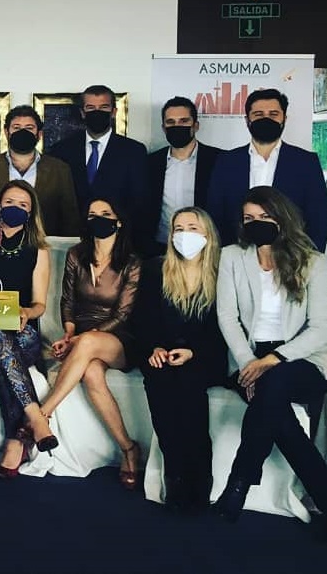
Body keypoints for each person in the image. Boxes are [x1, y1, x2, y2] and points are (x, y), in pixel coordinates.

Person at [213, 186, 327, 542]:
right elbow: (227, 317)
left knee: (274, 382)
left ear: (282, 218)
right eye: (249, 218)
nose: (257, 223)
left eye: (265, 217)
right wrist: (249, 362)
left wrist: (273, 359)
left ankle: (240, 478)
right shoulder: (232, 256)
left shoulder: (313, 262)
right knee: (277, 410)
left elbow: (322, 328)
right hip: (248, 356)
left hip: (303, 358)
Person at [40, 197, 143, 489]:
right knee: (92, 373)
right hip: (82, 337)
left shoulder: (132, 262)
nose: (98, 219)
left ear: (118, 221)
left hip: (119, 338)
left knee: (88, 344)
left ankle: (43, 414)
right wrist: (69, 335)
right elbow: (67, 300)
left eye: (105, 214)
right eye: (92, 214)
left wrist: (80, 340)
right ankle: (128, 448)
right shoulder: (76, 254)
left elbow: (123, 314)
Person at [134, 207, 227, 512]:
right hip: (162, 352)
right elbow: (142, 319)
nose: (184, 234)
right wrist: (154, 348)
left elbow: (223, 329)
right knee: (159, 380)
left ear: (208, 235)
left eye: (193, 228)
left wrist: (194, 352)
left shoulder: (223, 273)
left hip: (205, 355)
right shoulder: (155, 269)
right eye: (178, 229)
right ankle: (174, 471)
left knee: (189, 386)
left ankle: (199, 477)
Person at [0, 180, 57, 478]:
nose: (15, 208)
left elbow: (40, 304)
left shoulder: (38, 248)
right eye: (9, 202)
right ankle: (34, 419)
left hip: (23, 331)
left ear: (31, 212)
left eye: (23, 205)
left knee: (2, 363)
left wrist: (26, 312)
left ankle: (15, 440)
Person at [207, 89, 327, 250]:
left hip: (290, 255)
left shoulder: (306, 162)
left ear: (284, 119)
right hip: (237, 253)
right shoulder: (226, 161)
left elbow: (318, 219)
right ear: (247, 120)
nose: (266, 119)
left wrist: (309, 258)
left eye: (273, 114)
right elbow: (215, 215)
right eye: (258, 114)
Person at [0, 105, 80, 236]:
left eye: (29, 128)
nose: (22, 132)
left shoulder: (59, 169)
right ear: (6, 132)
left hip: (44, 243)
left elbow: (70, 218)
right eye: (16, 128)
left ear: (39, 134)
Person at [137, 97, 223, 258]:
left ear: (196, 125)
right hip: (160, 249)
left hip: (205, 249)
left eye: (184, 121)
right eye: (171, 122)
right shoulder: (150, 163)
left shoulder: (219, 160)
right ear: (163, 128)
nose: (177, 126)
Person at [48, 85, 147, 218]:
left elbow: (138, 200)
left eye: (103, 107)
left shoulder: (133, 151)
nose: (97, 112)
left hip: (115, 228)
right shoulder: (62, 150)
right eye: (90, 108)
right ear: (83, 113)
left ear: (114, 112)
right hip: (72, 228)